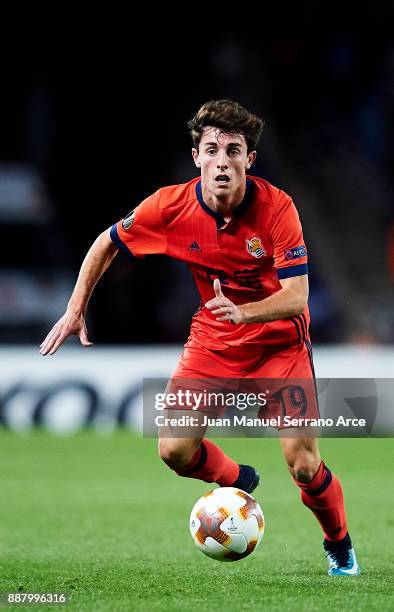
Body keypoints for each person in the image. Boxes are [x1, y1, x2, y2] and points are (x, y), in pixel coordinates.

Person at [40, 99, 360, 576]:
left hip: (279, 345)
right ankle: (238, 479)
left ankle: (339, 544)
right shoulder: (170, 207)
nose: (223, 160)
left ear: (249, 160)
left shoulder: (277, 208)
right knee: (175, 450)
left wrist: (246, 311)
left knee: (304, 466)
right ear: (197, 157)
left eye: (234, 149)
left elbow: (297, 296)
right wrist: (75, 307)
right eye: (212, 148)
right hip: (213, 341)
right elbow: (107, 241)